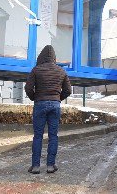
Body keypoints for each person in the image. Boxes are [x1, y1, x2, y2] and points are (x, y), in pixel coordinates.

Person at [25, 45, 72, 174]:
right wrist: (58, 98)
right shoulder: (61, 71)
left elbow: (28, 88)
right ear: (54, 57)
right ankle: (50, 165)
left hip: (40, 104)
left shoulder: (36, 70)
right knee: (53, 136)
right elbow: (68, 90)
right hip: (55, 105)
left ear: (41, 56)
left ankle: (35, 166)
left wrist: (35, 98)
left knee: (38, 136)